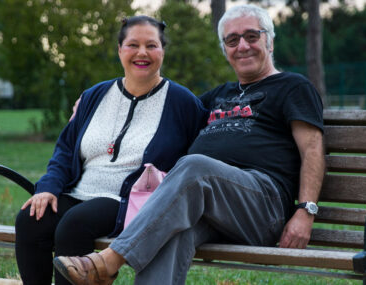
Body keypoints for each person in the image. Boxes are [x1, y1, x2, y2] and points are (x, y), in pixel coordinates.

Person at [53, 4, 326, 285]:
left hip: (260, 206)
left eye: (252, 36)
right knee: (171, 229)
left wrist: (306, 212)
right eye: (232, 40)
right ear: (225, 49)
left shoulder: (293, 87)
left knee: (195, 166)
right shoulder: (216, 96)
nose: (242, 46)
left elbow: (312, 150)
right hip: (210, 209)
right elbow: (159, 103)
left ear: (269, 40)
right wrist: (90, 103)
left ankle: (107, 263)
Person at [14, 15, 207, 285]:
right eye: (133, 45)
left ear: (163, 51)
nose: (142, 53)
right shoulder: (94, 95)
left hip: (128, 201)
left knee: (74, 224)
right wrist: (47, 187)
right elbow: (65, 150)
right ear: (120, 50)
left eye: (151, 45)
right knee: (31, 219)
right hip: (78, 191)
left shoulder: (182, 102)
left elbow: (205, 141)